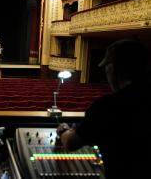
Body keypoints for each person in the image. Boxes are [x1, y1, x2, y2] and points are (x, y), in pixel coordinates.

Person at [56, 39, 151, 179]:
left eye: (106, 67)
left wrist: (63, 130)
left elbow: (71, 143)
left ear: (113, 69)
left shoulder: (108, 106)